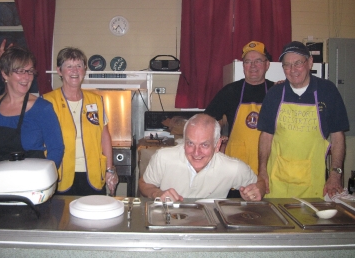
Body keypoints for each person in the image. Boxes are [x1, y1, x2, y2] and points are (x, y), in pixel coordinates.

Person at [257, 41, 349, 199]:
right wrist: (262, 171)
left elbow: (337, 136)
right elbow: (266, 136)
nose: (292, 70)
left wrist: (335, 174)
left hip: (313, 183)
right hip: (276, 183)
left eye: (298, 63)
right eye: (287, 65)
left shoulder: (328, 91)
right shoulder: (274, 94)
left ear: (310, 62)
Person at [0, 47, 64, 175]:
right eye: (20, 71)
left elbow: (56, 149)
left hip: (28, 182)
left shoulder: (42, 108)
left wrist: (42, 178)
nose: (27, 77)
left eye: (30, 71)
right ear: (4, 74)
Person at [138, 113, 266, 202]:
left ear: (217, 145)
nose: (196, 152)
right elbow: (144, 184)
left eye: (204, 145)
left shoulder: (233, 167)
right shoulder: (163, 158)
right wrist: (157, 193)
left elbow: (260, 184)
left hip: (211, 232)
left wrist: (256, 192)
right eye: (190, 143)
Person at [43, 47, 118, 196]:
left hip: (93, 174)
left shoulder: (96, 101)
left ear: (85, 69)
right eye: (69, 66)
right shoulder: (47, 102)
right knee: (61, 218)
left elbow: (105, 136)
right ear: (59, 71)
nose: (74, 71)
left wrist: (110, 169)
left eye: (79, 65)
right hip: (60, 174)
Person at [205, 41, 274, 175]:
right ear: (243, 66)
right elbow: (207, 121)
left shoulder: (276, 92)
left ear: (267, 65)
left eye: (258, 61)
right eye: (248, 61)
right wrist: (217, 139)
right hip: (236, 165)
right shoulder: (230, 91)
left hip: (268, 165)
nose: (253, 66)